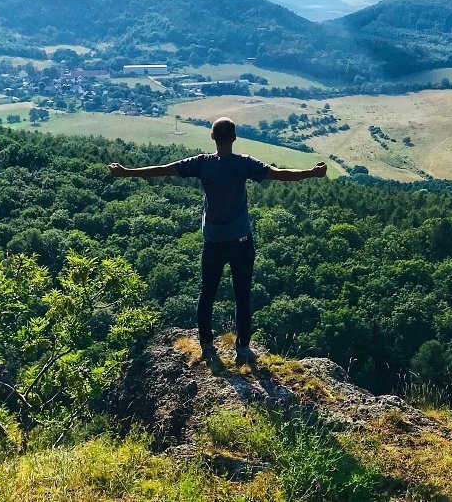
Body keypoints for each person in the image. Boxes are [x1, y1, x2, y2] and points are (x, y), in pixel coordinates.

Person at [109, 117, 326, 365]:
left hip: (213, 241)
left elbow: (164, 169)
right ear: (234, 138)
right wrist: (311, 173)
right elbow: (279, 174)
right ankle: (243, 350)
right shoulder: (244, 164)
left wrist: (127, 173)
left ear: (212, 137)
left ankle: (206, 346)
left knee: (207, 293)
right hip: (241, 240)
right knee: (242, 295)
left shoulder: (202, 164)